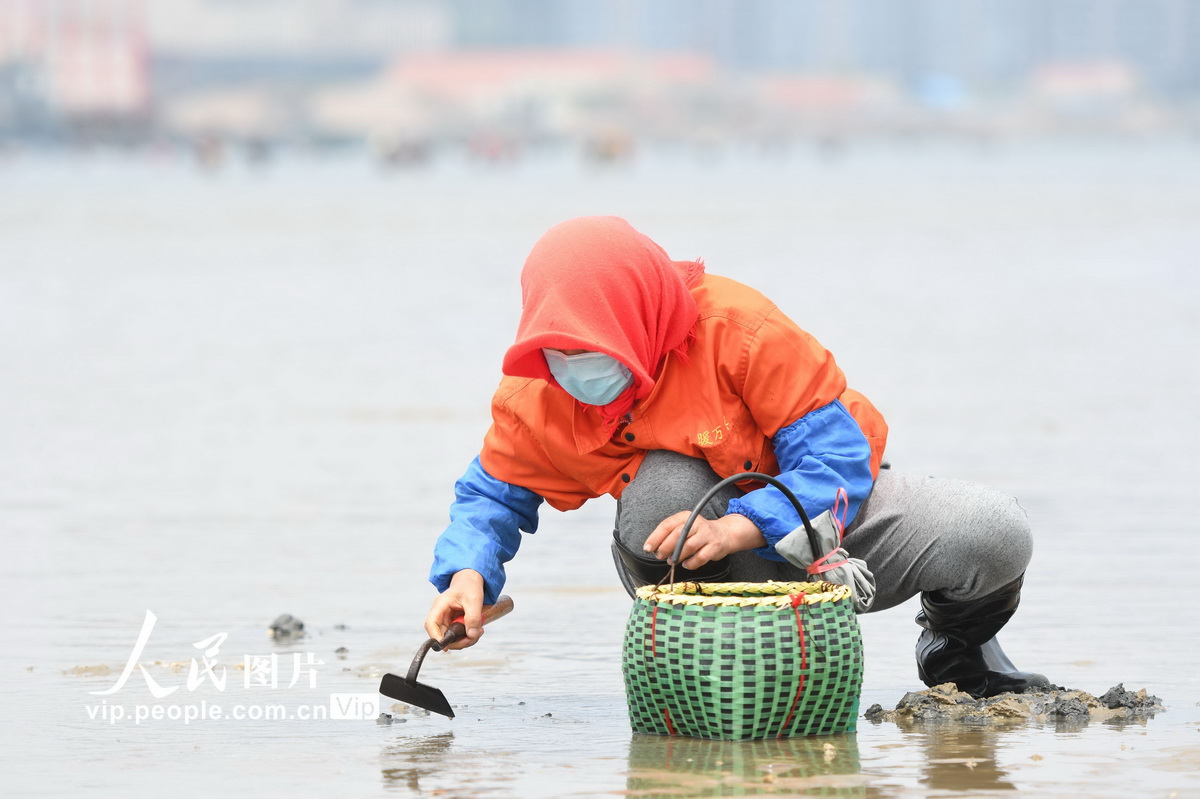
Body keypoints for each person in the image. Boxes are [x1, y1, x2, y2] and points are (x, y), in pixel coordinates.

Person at [424, 216, 1048, 699]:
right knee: (667, 489)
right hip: (695, 564)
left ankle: (955, 651)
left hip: (824, 526)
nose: (575, 368)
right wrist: (467, 577)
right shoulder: (537, 396)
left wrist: (743, 526)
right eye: (559, 350)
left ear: (641, 316)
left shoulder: (740, 330)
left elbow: (834, 458)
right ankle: (728, 670)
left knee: (992, 531)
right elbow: (492, 495)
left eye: (595, 347)